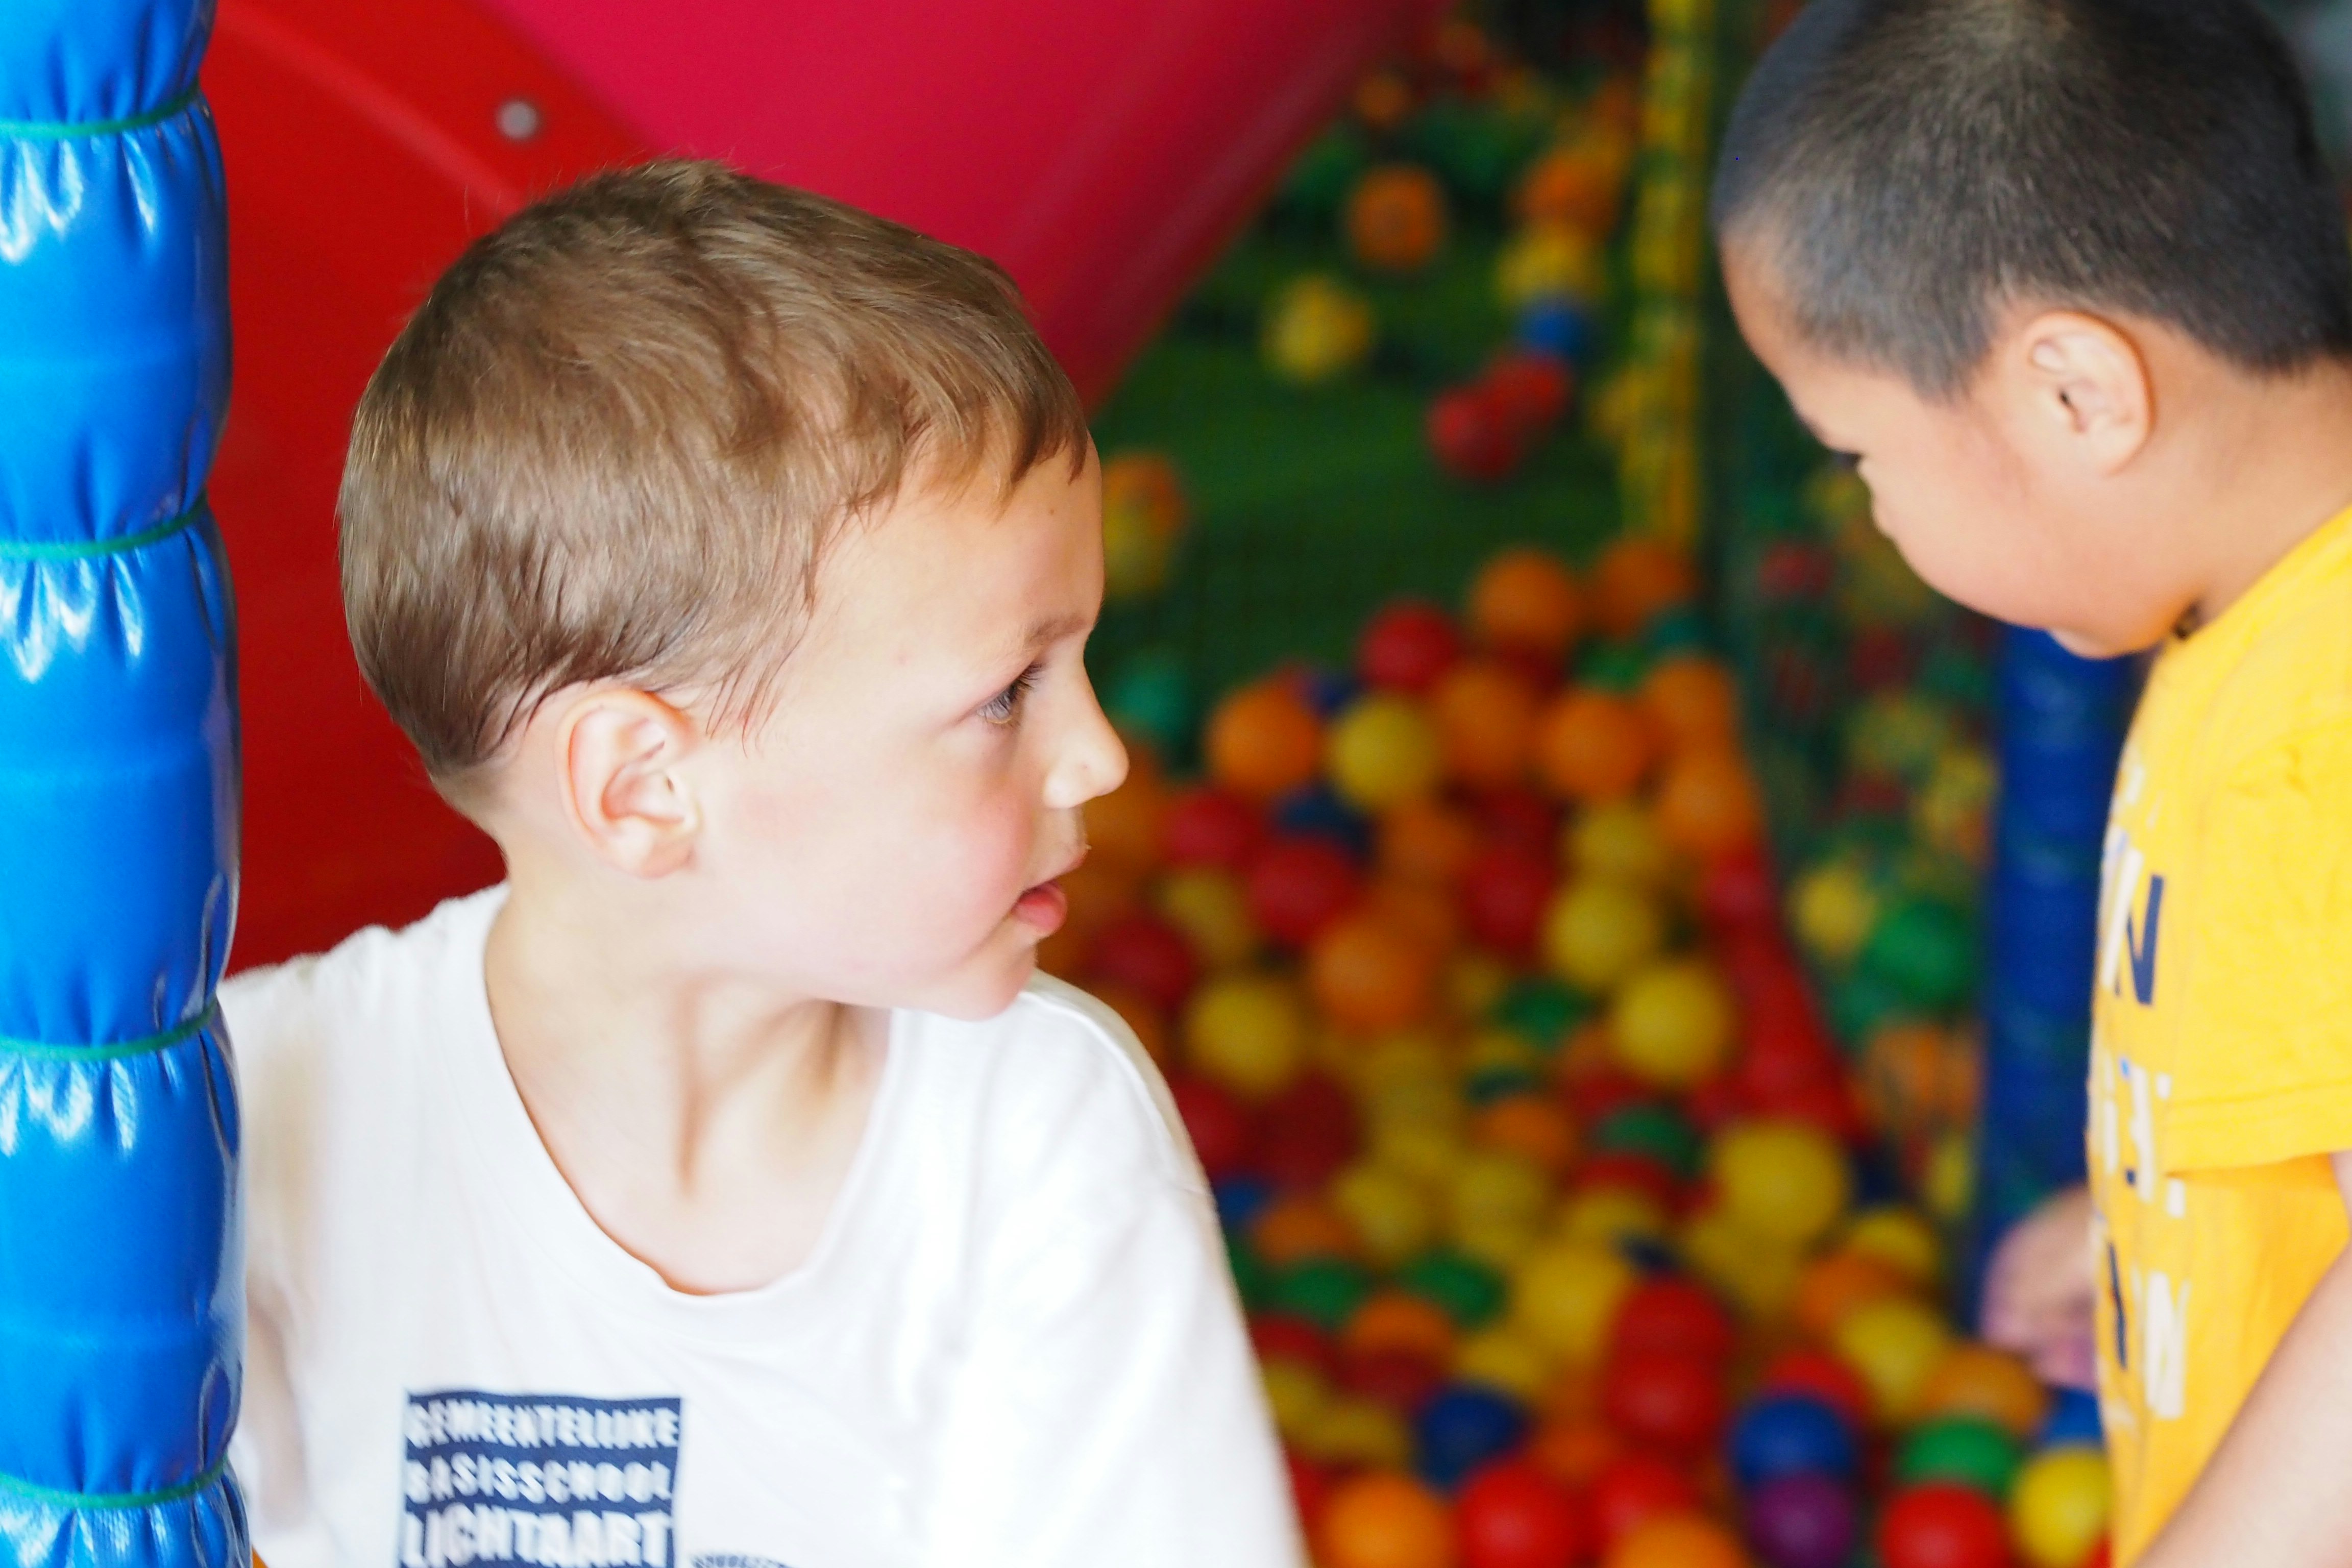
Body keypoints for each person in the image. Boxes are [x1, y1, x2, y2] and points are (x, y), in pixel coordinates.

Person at [223, 160, 1299, 1568]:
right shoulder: (253, 1119)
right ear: (647, 789)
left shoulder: (1029, 1142)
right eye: (1005, 696)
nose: (1100, 757)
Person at [1712, 3, 2352, 1563]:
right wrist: (2167, 1210)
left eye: (1861, 456)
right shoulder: (2251, 616)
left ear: (2078, 394)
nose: (1871, 516)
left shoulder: (2313, 731)